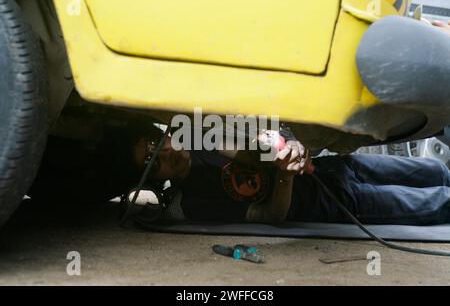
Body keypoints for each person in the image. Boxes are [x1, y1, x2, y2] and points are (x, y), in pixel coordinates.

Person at [132, 126, 450, 226]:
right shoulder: (195, 203)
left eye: (158, 144)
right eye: (152, 161)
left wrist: (289, 145)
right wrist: (285, 177)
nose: (164, 154)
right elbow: (271, 214)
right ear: (154, 179)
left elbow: (254, 151)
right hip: (333, 202)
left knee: (436, 171)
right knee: (439, 202)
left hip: (339, 167)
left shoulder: (208, 137)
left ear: (170, 133)